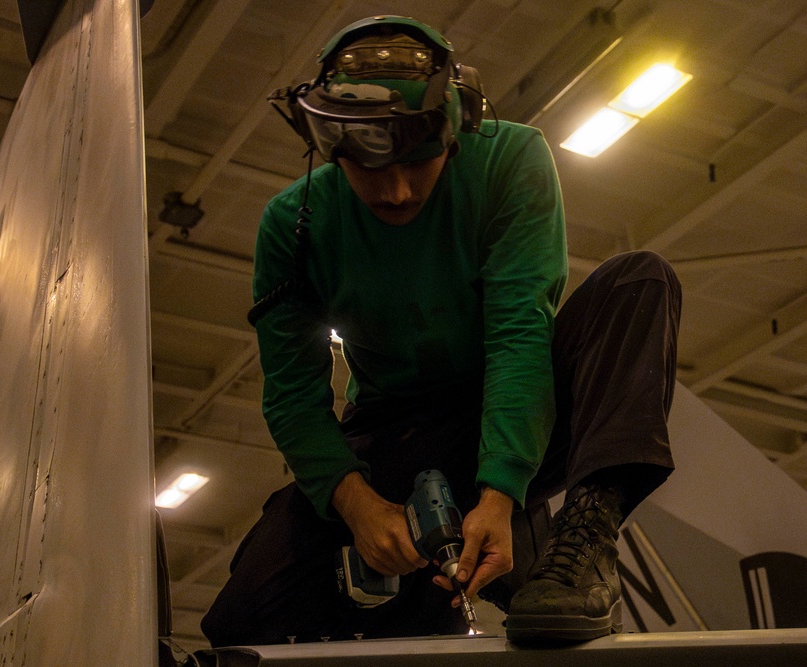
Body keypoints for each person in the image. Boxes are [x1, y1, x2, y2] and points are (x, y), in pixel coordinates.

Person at [201, 15, 681, 646]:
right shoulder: (291, 224)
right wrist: (358, 505)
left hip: (512, 402)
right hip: (392, 429)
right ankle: (432, 595)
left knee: (637, 281)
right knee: (244, 619)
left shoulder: (512, 158)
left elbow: (517, 334)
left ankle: (586, 540)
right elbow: (294, 398)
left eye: (419, 163)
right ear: (330, 144)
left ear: (454, 137)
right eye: (373, 169)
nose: (397, 191)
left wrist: (502, 492)